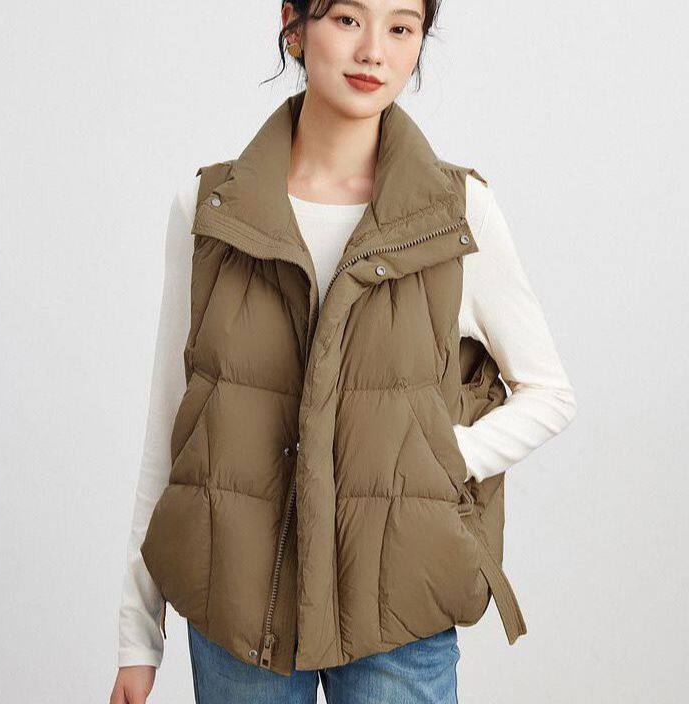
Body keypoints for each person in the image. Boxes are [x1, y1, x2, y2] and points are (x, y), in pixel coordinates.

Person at [109, 1, 577, 702]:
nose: (374, 51)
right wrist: (137, 636)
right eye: (348, 19)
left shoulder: (458, 212)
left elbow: (549, 393)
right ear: (294, 25)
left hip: (398, 610)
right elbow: (172, 427)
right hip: (239, 614)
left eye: (401, 27)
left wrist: (442, 458)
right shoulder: (209, 208)